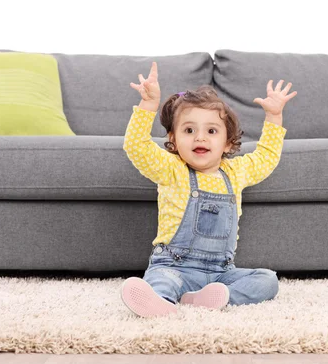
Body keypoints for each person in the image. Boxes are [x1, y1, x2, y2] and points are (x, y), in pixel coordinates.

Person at [120, 61, 297, 318]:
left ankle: (213, 299)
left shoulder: (235, 172)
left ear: (227, 143)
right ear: (173, 140)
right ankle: (158, 301)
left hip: (220, 272)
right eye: (189, 130)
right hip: (174, 266)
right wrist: (148, 106)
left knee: (267, 280)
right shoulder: (171, 169)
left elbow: (266, 157)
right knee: (162, 281)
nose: (200, 137)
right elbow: (136, 146)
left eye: (211, 131)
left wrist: (274, 117)